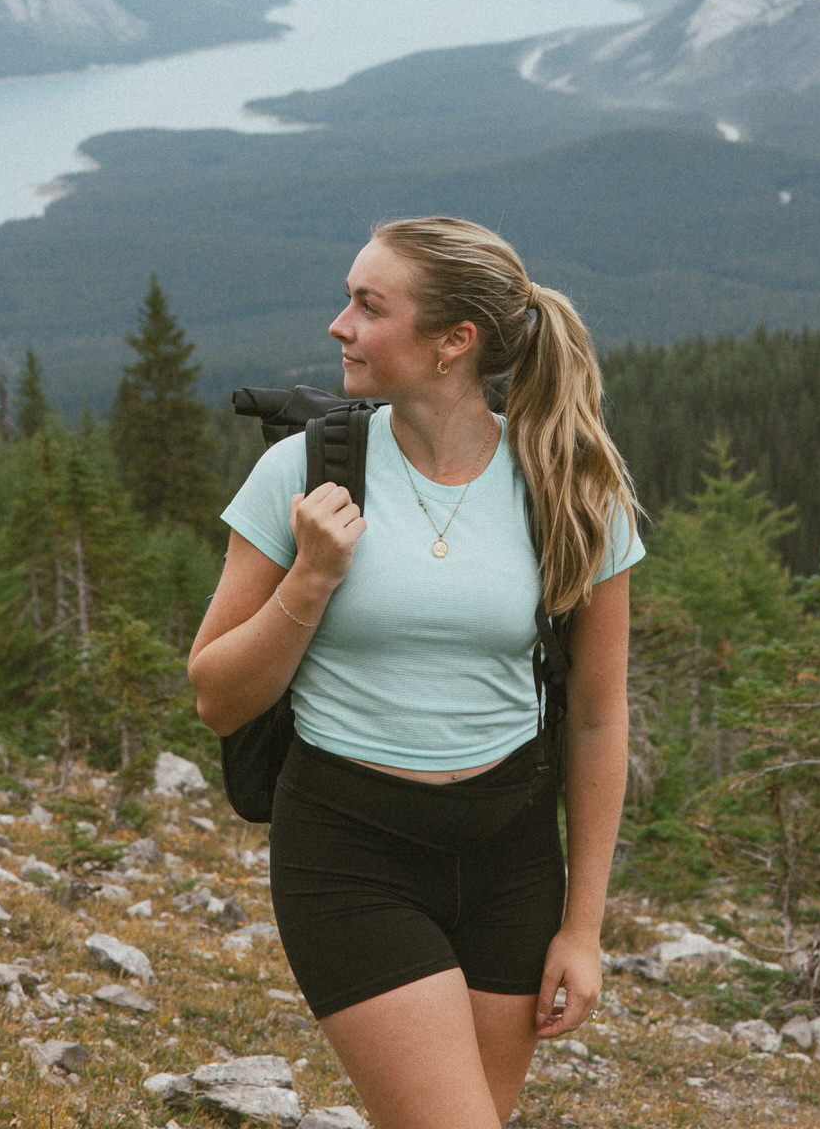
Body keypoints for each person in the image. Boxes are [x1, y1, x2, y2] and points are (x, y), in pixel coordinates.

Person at [189, 216, 643, 1129]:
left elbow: (597, 717)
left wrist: (582, 928)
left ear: (453, 343)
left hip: (512, 860)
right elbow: (217, 695)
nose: (337, 326)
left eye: (367, 305)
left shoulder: (569, 485)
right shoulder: (303, 471)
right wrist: (310, 581)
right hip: (350, 857)